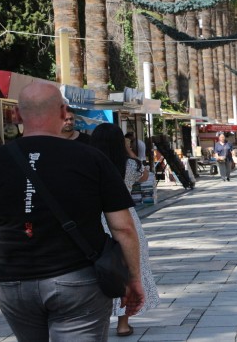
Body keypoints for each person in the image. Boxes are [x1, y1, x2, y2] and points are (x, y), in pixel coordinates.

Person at [0, 83, 144, 339]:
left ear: (16, 115)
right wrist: (134, 277)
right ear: (63, 112)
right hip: (78, 278)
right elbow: (123, 227)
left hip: (12, 281)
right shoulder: (91, 158)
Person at [91, 123, 160, 337]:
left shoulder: (89, 163)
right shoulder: (130, 165)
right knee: (127, 268)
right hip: (125, 218)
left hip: (94, 220)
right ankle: (123, 323)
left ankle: (95, 322)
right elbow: (146, 176)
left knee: (96, 270)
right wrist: (128, 150)